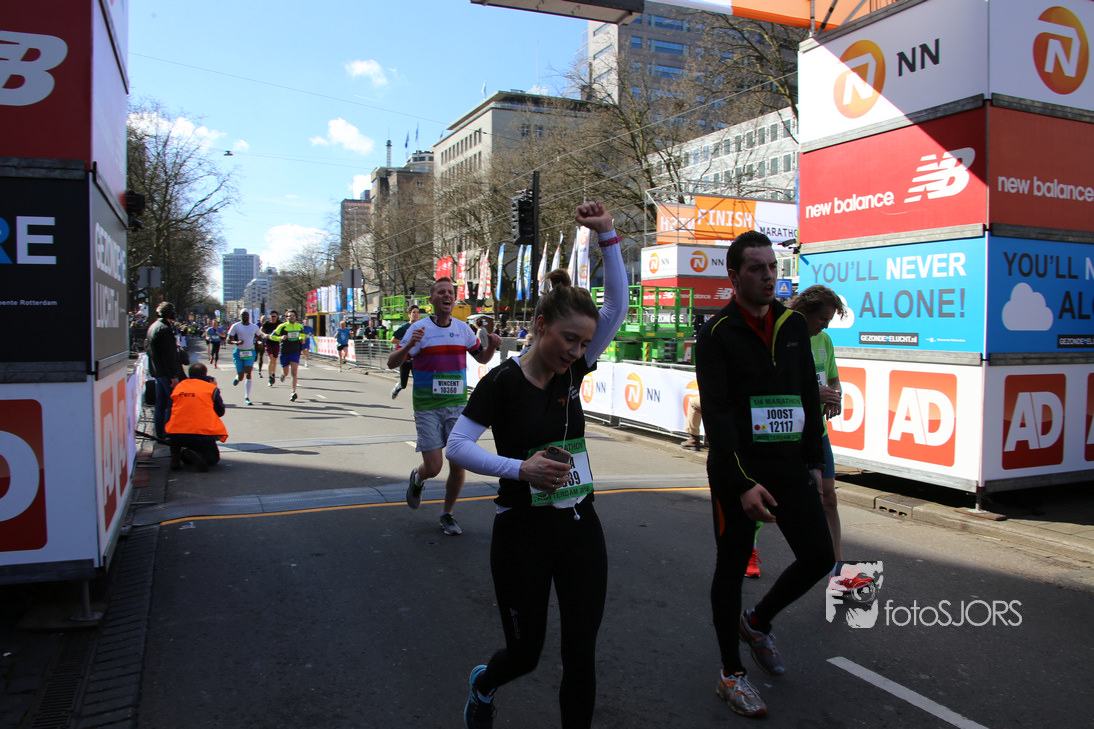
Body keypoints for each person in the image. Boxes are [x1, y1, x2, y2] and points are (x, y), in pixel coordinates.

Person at [447, 201, 627, 729]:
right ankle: (485, 683)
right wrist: (519, 470)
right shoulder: (501, 382)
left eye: (584, 343)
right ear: (540, 324)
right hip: (521, 532)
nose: (577, 351)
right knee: (525, 654)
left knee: (580, 653)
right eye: (569, 339)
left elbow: (615, 309)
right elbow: (457, 446)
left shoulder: (572, 370)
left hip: (579, 525)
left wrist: (608, 235)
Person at [694, 230, 834, 718]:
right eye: (757, 268)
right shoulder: (716, 333)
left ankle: (756, 622)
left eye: (772, 266)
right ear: (734, 277)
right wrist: (741, 483)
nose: (769, 276)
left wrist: (814, 463)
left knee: (819, 556)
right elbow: (718, 417)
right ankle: (730, 674)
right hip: (737, 470)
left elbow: (807, 395)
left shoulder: (793, 324)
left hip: (789, 465)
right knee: (732, 567)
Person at [387, 279, 502, 536]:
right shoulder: (418, 329)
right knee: (434, 467)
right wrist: (409, 345)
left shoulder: (463, 329)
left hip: (457, 406)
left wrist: (493, 346)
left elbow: (482, 358)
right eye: (441, 292)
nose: (447, 296)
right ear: (432, 300)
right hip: (427, 406)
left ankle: (447, 514)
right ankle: (418, 478)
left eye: (450, 292)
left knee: (458, 462)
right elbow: (391, 363)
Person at [787, 285, 873, 598]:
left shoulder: (824, 339)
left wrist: (836, 394)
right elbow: (777, 384)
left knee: (829, 498)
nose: (825, 325)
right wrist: (812, 394)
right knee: (775, 504)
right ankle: (751, 549)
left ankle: (838, 573)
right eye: (822, 319)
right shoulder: (786, 334)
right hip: (789, 433)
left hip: (818, 432)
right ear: (806, 311)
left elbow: (832, 378)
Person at [166, 362, 227, 472]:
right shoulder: (210, 388)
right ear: (205, 374)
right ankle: (194, 454)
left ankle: (175, 455)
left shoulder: (179, 387)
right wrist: (215, 387)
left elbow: (170, 410)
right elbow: (220, 411)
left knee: (176, 433)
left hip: (176, 432)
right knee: (213, 458)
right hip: (201, 433)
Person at [146, 302, 181, 442]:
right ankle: (167, 431)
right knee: (173, 402)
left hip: (157, 371)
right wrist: (173, 375)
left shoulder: (153, 327)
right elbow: (169, 355)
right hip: (166, 373)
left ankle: (160, 432)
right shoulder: (165, 330)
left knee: (160, 403)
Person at [269, 309, 306, 402]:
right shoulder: (282, 326)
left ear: (295, 317)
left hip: (295, 352)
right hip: (285, 352)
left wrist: (301, 339)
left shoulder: (299, 326)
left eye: (293, 316)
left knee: (294, 372)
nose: (292, 317)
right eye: (290, 316)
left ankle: (293, 392)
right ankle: (283, 374)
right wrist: (280, 338)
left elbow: (302, 335)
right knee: (286, 372)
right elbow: (272, 336)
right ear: (286, 318)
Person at [227, 310, 261, 405]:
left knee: (248, 371)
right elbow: (228, 340)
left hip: (249, 352)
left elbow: (259, 338)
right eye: (242, 315)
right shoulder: (236, 326)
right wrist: (236, 342)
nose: (244, 316)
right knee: (241, 376)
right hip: (239, 352)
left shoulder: (254, 327)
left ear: (249, 316)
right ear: (240, 316)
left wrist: (260, 343)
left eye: (246, 315)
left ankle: (247, 397)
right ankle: (238, 377)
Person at [389, 305, 420, 399]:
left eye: (417, 312)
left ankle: (419, 402)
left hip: (417, 359)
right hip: (405, 359)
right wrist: (407, 344)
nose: (416, 314)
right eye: (414, 312)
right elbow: (393, 340)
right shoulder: (404, 327)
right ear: (409, 314)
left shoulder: (421, 327)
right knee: (403, 384)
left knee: (419, 382)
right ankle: (397, 388)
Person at [261, 311, 281, 386]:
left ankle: (273, 374)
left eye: (275, 316)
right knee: (270, 359)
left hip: (276, 343)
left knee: (274, 360)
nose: (273, 318)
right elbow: (261, 330)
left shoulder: (279, 323)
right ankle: (270, 377)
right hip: (268, 343)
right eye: (272, 316)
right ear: (269, 317)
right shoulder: (267, 323)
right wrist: (264, 334)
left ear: (277, 317)